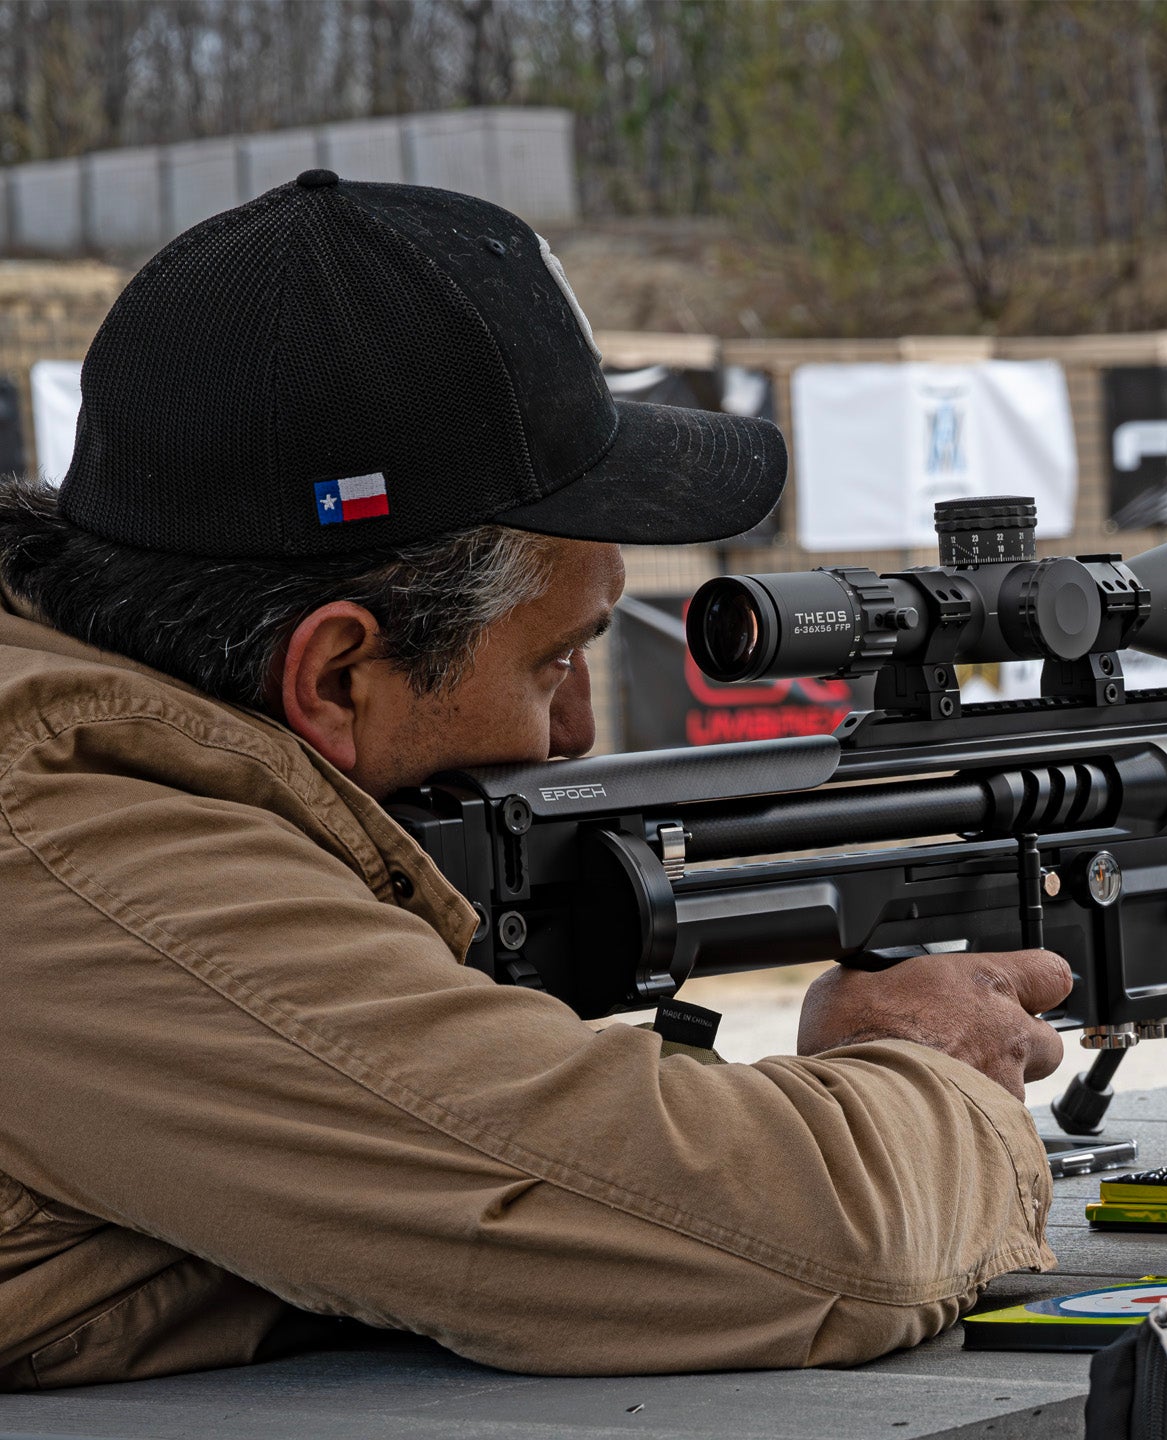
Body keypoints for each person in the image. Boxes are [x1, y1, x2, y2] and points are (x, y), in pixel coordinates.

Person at [0, 172, 1068, 1392]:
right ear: (338, 677)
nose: (576, 731)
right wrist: (925, 1067)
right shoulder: (69, 844)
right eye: (554, 658)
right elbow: (802, 1241)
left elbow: (415, 1206)